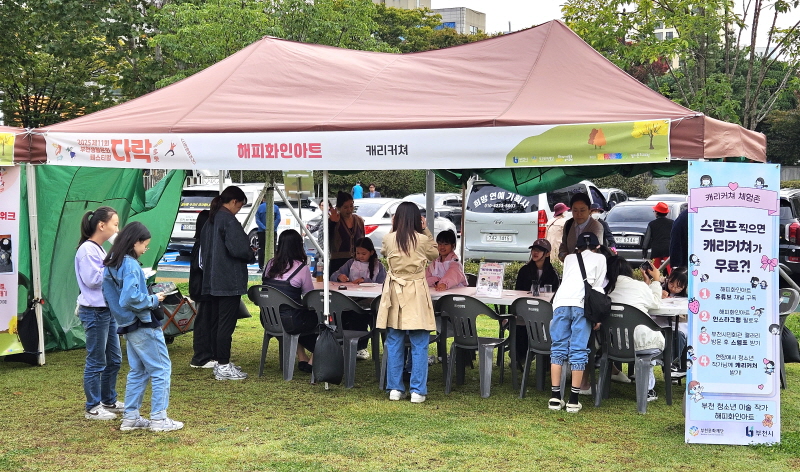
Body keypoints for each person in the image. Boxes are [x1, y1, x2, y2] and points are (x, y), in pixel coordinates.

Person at [102, 222, 182, 432]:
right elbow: (129, 298)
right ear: (134, 242)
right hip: (142, 323)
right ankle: (159, 419)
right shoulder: (130, 264)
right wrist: (154, 299)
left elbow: (114, 298)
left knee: (139, 370)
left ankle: (131, 418)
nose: (145, 249)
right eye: (145, 245)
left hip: (127, 325)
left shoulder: (111, 263)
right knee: (161, 369)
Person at [376, 202, 439, 403]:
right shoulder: (422, 239)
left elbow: (384, 251)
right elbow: (435, 253)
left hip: (394, 291)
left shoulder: (389, 238)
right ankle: (417, 391)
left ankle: (395, 388)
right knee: (419, 342)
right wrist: (426, 229)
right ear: (416, 219)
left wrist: (393, 227)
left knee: (394, 340)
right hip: (416, 291)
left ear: (397, 218)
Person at [198, 185, 256, 381]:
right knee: (225, 325)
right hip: (228, 280)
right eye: (239, 206)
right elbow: (239, 248)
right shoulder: (228, 220)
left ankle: (219, 361)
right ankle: (223, 364)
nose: (238, 210)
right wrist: (251, 253)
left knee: (217, 322)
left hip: (212, 279)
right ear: (233, 202)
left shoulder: (211, 219)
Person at [549, 232, 607, 413]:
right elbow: (597, 287)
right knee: (578, 350)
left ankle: (555, 397)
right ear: (597, 246)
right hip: (581, 304)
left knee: (557, 348)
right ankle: (573, 400)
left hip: (561, 302)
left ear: (577, 247)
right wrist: (597, 316)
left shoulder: (569, 259)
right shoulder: (601, 258)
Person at [75, 206, 123, 421]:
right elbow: (92, 280)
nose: (117, 229)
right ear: (101, 225)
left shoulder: (99, 249)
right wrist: (114, 269)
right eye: (115, 224)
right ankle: (92, 406)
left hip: (106, 310)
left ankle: (108, 400)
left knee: (114, 359)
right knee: (96, 360)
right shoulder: (87, 249)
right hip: (94, 312)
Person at [604, 256, 664, 402]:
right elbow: (655, 303)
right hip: (643, 344)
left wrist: (646, 284)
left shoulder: (605, 289)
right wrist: (656, 281)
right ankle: (647, 389)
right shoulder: (639, 286)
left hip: (613, 345)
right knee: (650, 336)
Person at [263, 230, 317, 373]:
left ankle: (302, 357)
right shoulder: (301, 268)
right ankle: (313, 359)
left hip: (269, 319)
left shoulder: (270, 264)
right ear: (299, 246)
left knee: (298, 318)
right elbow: (310, 296)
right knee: (324, 318)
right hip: (292, 321)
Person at [330, 236, 386, 359]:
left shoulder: (379, 267)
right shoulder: (350, 263)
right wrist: (339, 277)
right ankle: (343, 343)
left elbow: (383, 284)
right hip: (351, 299)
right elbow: (334, 275)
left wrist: (365, 281)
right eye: (358, 253)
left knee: (360, 315)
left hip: (369, 302)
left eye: (363, 253)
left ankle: (361, 347)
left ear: (371, 252)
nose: (360, 256)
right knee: (344, 314)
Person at [514, 238, 560, 367]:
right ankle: (520, 357)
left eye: (539, 250)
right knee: (521, 325)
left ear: (547, 254)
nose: (535, 252)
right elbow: (518, 292)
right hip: (525, 311)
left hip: (544, 313)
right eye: (534, 249)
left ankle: (545, 360)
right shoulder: (524, 270)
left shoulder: (552, 273)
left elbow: (555, 295)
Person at [189, 210, 216, 369]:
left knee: (207, 322)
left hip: (204, 289)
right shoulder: (201, 243)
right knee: (203, 323)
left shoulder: (203, 242)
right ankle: (200, 358)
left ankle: (207, 354)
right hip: (202, 289)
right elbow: (202, 265)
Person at [558, 194, 604, 263]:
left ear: (589, 210)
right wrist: (563, 255)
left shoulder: (596, 227)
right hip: (571, 266)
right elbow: (563, 245)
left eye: (582, 210)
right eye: (575, 210)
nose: (579, 214)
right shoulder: (568, 224)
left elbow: (596, 251)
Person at [328, 191, 365, 273]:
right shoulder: (334, 220)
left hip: (357, 264)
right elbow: (326, 237)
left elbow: (364, 242)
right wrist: (332, 222)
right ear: (338, 208)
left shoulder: (359, 220)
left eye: (351, 206)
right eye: (345, 207)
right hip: (338, 264)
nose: (349, 210)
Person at [642, 202, 674, 273]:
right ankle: (672, 279)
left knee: (654, 269)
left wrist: (644, 250)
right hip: (668, 249)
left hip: (656, 249)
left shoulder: (652, 224)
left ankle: (654, 279)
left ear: (656, 213)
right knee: (670, 270)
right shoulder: (672, 223)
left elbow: (647, 238)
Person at [255, 200, 281, 270]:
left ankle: (262, 266)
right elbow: (278, 219)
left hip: (261, 232)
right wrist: (272, 227)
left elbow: (257, 220)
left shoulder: (259, 208)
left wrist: (264, 228)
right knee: (273, 248)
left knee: (262, 249)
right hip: (273, 231)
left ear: (263, 198)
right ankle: (273, 266)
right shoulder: (275, 207)